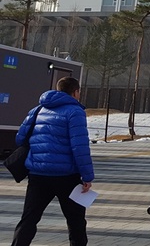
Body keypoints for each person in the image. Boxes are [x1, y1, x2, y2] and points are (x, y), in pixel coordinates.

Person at [11, 77, 94, 246]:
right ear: (75, 92)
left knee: (29, 219)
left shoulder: (38, 109)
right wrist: (87, 176)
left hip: (38, 175)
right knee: (76, 221)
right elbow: (79, 147)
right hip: (67, 177)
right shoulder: (75, 111)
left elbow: (20, 138)